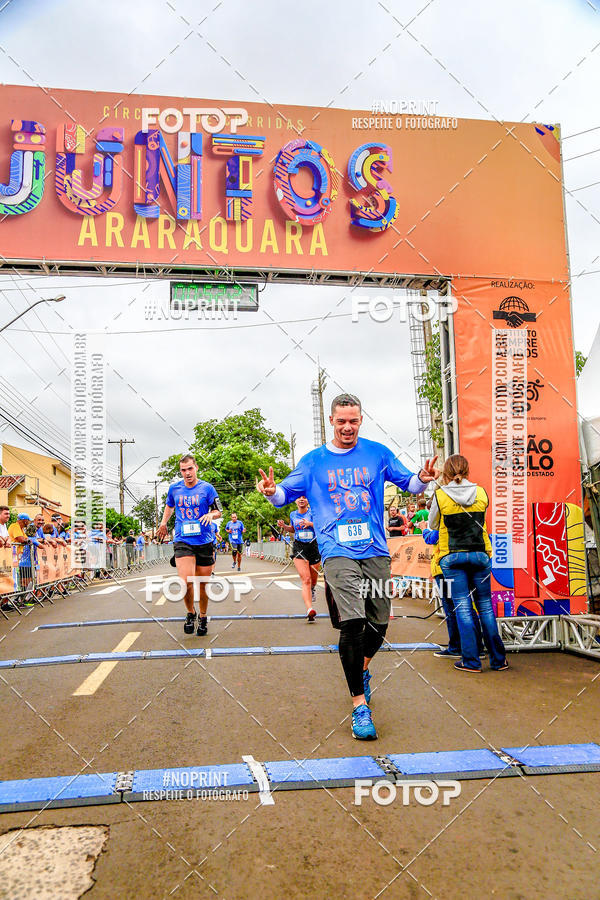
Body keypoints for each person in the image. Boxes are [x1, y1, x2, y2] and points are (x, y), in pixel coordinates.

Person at [257, 392, 437, 740]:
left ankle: (363, 667)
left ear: (360, 420)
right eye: (341, 421)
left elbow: (409, 482)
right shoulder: (313, 462)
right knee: (353, 622)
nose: (347, 427)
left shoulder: (377, 453)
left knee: (380, 621)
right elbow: (283, 495)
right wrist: (270, 491)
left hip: (375, 549)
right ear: (331, 422)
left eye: (353, 421)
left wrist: (423, 477)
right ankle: (359, 707)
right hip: (335, 550)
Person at [428, 454, 508, 672]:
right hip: (480, 555)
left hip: (452, 557)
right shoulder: (481, 492)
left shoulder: (440, 495)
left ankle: (471, 661)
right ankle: (498, 660)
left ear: (446, 472)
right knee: (485, 607)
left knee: (462, 608)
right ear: (467, 469)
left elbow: (433, 524)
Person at [157, 454, 222, 636]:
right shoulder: (174, 489)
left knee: (202, 584)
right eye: (183, 470)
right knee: (185, 582)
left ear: (196, 468)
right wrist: (163, 523)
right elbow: (170, 506)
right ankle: (190, 613)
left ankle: (202, 616)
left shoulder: (207, 488)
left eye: (190, 469)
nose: (187, 473)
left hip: (204, 540)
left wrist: (211, 515)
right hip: (183, 539)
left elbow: (219, 510)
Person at [422, 527, 485, 659]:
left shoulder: (446, 516)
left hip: (446, 568)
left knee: (452, 609)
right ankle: (477, 648)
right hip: (466, 565)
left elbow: (433, 538)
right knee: (468, 608)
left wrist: (424, 529)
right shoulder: (471, 517)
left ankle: (457, 647)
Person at [277, 496, 321, 621]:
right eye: (298, 498)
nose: (301, 499)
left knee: (313, 579)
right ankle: (309, 610)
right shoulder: (293, 514)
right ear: (295, 501)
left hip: (313, 545)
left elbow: (321, 526)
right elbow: (293, 529)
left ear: (308, 500)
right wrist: (285, 526)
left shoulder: (313, 512)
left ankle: (313, 589)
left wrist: (309, 524)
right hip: (299, 546)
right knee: (305, 579)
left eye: (304, 497)